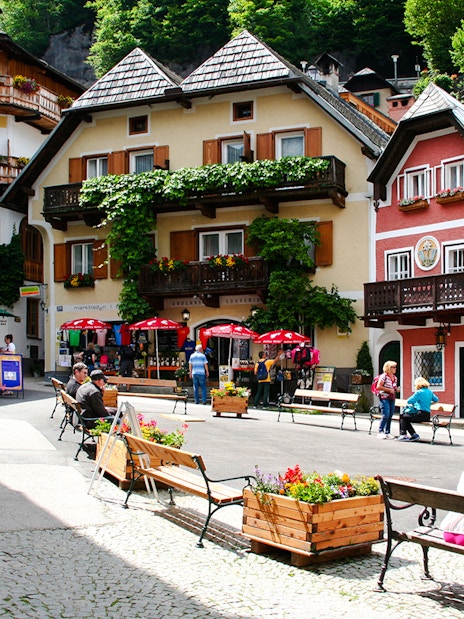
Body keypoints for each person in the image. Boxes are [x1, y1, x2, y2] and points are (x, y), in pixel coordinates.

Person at [397, 376, 438, 442]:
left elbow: (409, 401)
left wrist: (416, 402)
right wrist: (429, 403)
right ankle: (414, 434)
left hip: (420, 414)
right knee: (406, 418)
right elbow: (436, 399)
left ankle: (403, 435)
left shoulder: (419, 392)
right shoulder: (429, 391)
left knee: (402, 417)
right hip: (427, 415)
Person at [376, 360, 399, 440]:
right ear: (389, 368)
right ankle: (380, 431)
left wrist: (396, 389)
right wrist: (389, 390)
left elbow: (394, 387)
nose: (395, 369)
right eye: (394, 367)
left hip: (392, 398)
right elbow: (378, 386)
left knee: (390, 415)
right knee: (385, 414)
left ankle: (387, 432)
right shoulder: (384, 376)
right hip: (384, 397)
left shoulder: (395, 378)